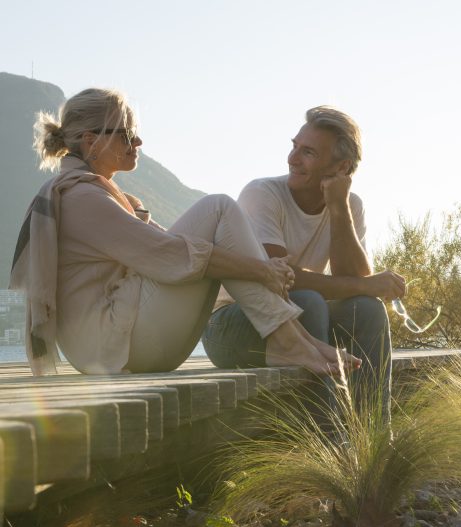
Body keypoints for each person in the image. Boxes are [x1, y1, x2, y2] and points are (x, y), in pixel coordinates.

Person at [10, 88, 356, 377]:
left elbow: (176, 247)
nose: (138, 140)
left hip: (121, 341)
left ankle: (292, 340)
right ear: (91, 141)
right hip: (114, 347)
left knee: (214, 220)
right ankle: (288, 341)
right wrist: (262, 269)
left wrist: (258, 268)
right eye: (128, 133)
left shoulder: (101, 195)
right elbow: (170, 256)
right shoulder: (81, 197)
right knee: (217, 207)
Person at [202, 106, 405, 413]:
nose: (292, 159)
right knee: (306, 301)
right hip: (233, 325)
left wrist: (338, 208)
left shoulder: (351, 205)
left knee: (366, 309)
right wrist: (366, 286)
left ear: (341, 167)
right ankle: (328, 439)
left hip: (303, 324)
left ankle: (375, 436)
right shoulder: (263, 194)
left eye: (308, 152)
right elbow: (281, 281)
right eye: (294, 146)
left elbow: (355, 279)